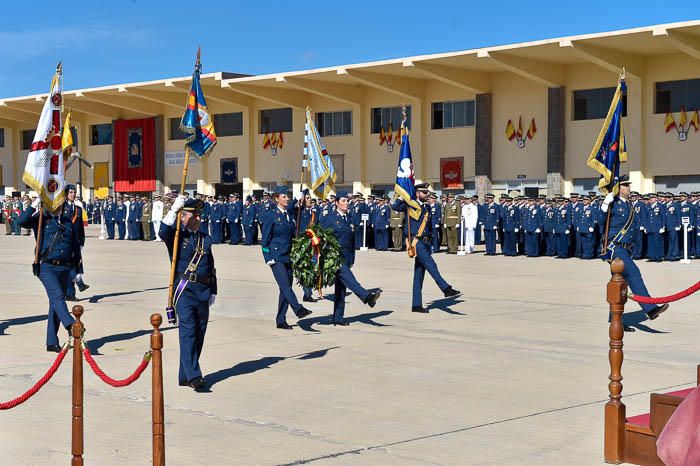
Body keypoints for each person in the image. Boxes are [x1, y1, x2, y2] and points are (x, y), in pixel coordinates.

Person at [159, 195, 217, 392]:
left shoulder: (204, 238)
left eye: (199, 215)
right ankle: (194, 375)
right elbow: (163, 230)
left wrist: (213, 291)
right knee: (188, 333)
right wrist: (174, 208)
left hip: (203, 291)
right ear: (183, 217)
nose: (198, 218)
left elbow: (211, 266)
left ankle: (184, 375)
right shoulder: (176, 237)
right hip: (184, 291)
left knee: (199, 334)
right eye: (193, 215)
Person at [600, 174, 669, 331]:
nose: (629, 188)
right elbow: (599, 220)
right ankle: (650, 308)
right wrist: (605, 204)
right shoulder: (612, 203)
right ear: (618, 188)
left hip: (625, 248)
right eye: (625, 186)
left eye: (628, 186)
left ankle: (616, 321)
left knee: (618, 286)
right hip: (615, 248)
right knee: (634, 274)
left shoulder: (628, 205)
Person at [18, 196, 81, 352]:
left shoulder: (68, 222)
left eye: (60, 204)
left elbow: (75, 248)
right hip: (46, 267)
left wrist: (78, 270)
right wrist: (34, 204)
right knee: (58, 296)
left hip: (65, 268)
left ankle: (51, 342)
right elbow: (21, 221)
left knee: (54, 304)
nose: (57, 206)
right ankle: (71, 325)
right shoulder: (41, 219)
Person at [391, 183, 461, 313]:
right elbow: (394, 206)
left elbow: (428, 227)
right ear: (417, 193)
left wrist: (433, 243)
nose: (427, 194)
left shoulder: (427, 207)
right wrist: (402, 196)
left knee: (419, 274)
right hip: (416, 243)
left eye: (427, 192)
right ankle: (445, 288)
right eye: (424, 192)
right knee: (431, 265)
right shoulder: (409, 205)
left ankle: (416, 305)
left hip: (426, 242)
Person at [321, 191, 382, 325]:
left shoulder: (349, 217)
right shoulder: (330, 218)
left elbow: (352, 239)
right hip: (335, 256)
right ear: (336, 203)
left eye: (347, 201)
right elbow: (322, 236)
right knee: (350, 279)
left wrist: (352, 258)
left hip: (347, 255)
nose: (346, 203)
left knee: (341, 287)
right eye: (343, 201)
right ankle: (366, 297)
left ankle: (338, 317)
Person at [260, 190, 313, 329]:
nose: (286, 199)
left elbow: (292, 208)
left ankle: (280, 320)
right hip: (276, 257)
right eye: (284, 197)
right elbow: (264, 240)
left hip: (288, 256)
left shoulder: (289, 215)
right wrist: (268, 257)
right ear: (276, 199)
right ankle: (298, 309)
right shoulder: (271, 216)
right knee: (285, 286)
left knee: (285, 290)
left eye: (287, 197)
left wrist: (300, 196)